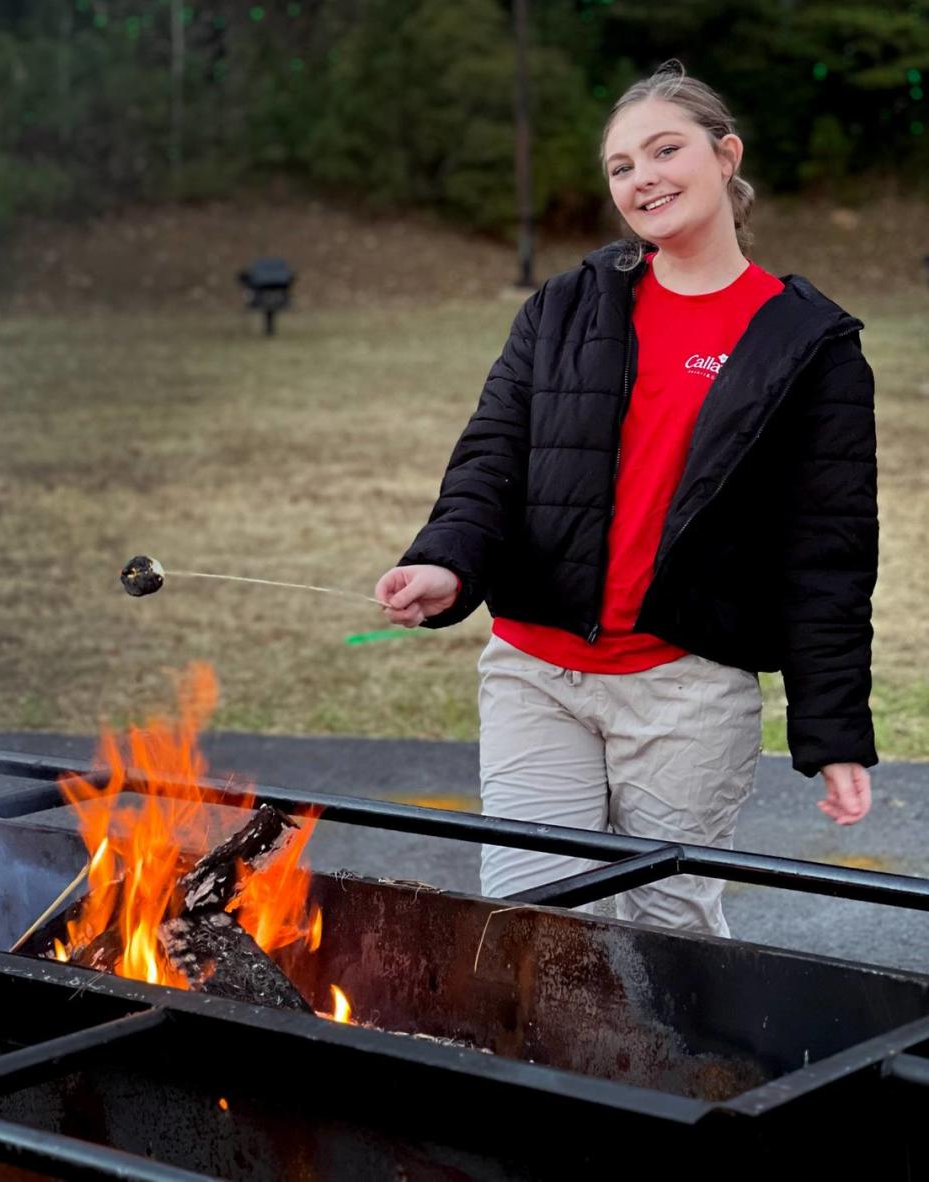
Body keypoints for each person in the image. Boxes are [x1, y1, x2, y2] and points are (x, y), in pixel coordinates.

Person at [374, 60, 878, 938]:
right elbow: (491, 458)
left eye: (664, 150)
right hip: (538, 675)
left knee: (664, 941)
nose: (642, 177)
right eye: (620, 166)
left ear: (726, 157)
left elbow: (828, 549)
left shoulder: (811, 345)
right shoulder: (566, 306)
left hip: (685, 691)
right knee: (528, 932)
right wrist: (445, 562)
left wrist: (832, 731)